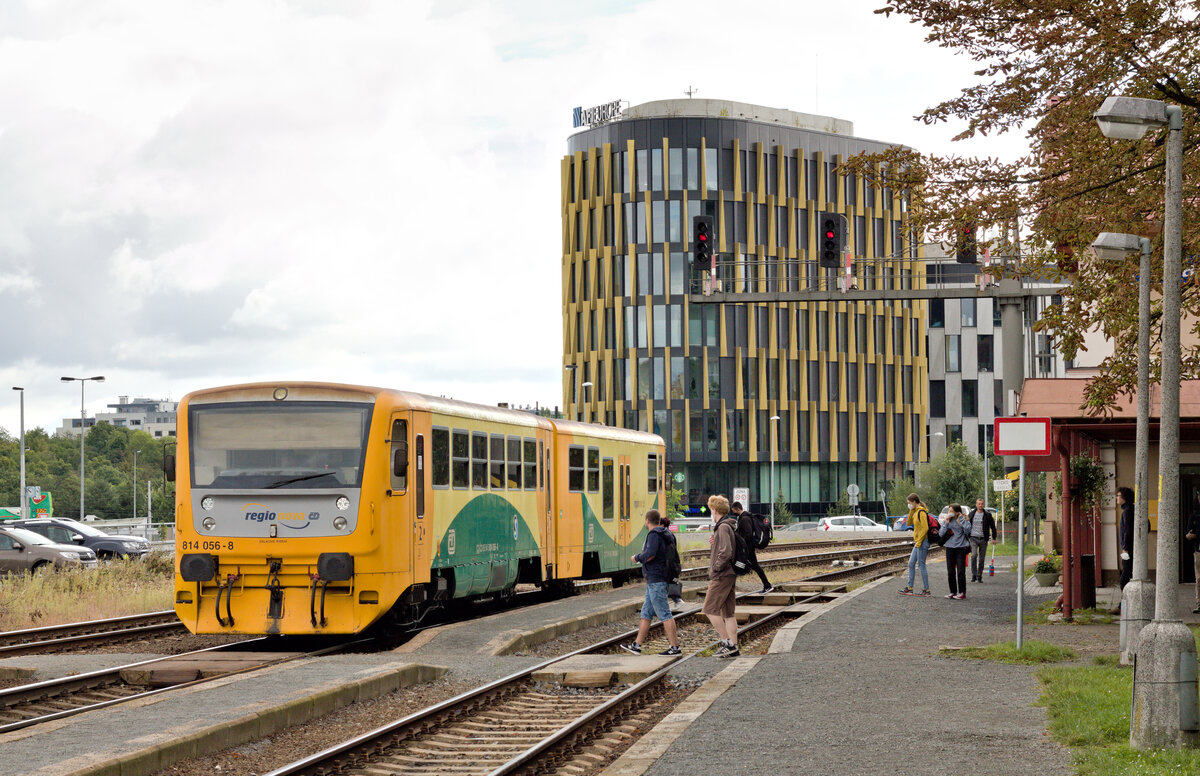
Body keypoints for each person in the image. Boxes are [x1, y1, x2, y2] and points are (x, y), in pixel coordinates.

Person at [620, 510, 681, 656]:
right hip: (658, 579)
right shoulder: (667, 534)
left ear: (647, 520)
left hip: (656, 580)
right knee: (646, 613)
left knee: (665, 614)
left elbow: (650, 554)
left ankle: (675, 648)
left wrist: (637, 558)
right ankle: (637, 645)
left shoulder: (653, 535)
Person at [702, 494, 741, 658]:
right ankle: (734, 647)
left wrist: (716, 568)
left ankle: (727, 643)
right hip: (729, 574)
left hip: (722, 574)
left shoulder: (723, 527)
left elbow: (726, 552)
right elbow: (725, 548)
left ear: (715, 510)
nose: (710, 512)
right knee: (728, 613)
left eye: (711, 509)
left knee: (709, 609)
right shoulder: (726, 526)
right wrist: (715, 543)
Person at [731, 501, 774, 594]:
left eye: (733, 510)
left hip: (747, 548)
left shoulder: (745, 519)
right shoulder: (744, 517)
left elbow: (748, 534)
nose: (733, 512)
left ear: (737, 509)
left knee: (740, 564)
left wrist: (743, 545)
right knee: (748, 565)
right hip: (747, 547)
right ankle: (767, 585)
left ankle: (767, 586)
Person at [898, 494, 931, 596]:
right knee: (911, 563)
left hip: (922, 541)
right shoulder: (915, 512)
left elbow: (925, 528)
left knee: (921, 565)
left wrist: (919, 541)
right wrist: (911, 511)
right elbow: (908, 523)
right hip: (918, 542)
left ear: (914, 502)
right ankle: (909, 587)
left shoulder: (921, 512)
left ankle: (926, 590)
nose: (908, 504)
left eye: (909, 503)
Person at [940, 504, 971, 599]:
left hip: (961, 547)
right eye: (949, 511)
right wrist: (946, 523)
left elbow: (967, 530)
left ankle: (962, 592)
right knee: (950, 571)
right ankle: (952, 591)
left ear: (957, 512)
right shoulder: (948, 520)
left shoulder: (963, 519)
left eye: (952, 511)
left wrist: (961, 519)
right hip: (949, 547)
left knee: (961, 571)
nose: (950, 513)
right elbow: (941, 533)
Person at [967, 498, 998, 583]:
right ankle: (974, 574)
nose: (980, 505)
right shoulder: (971, 514)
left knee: (981, 558)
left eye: (982, 504)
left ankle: (979, 575)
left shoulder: (987, 515)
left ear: (983, 505)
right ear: (976, 505)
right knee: (973, 555)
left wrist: (994, 538)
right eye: (979, 504)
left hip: (983, 539)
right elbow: (966, 525)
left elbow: (993, 527)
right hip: (973, 538)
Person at [659, 515, 685, 608]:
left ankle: (677, 600)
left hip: (668, 565)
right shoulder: (670, 534)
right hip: (674, 564)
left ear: (662, 525)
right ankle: (677, 600)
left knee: (668, 583)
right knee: (672, 581)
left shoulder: (663, 535)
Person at [1117, 486, 1134, 590]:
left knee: (1125, 575)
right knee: (1128, 572)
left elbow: (1127, 531)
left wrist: (1125, 548)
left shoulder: (1127, 511)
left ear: (1124, 498)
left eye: (1118, 496)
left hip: (1128, 548)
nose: (1117, 498)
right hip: (1130, 547)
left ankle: (1124, 597)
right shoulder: (1131, 509)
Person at [1186, 496, 1200, 615]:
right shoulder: (1194, 516)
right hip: (1198, 549)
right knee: (1199, 579)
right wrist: (1190, 535)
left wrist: (1195, 535)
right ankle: (1199, 604)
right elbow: (1188, 534)